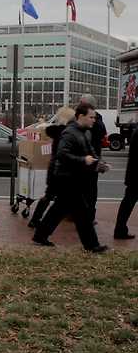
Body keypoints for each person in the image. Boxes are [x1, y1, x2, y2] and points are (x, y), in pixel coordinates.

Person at [33, 103, 109, 253]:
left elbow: (91, 153)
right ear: (80, 116)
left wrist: (99, 165)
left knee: (59, 209)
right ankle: (92, 245)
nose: (94, 120)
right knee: (82, 213)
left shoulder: (85, 132)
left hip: (73, 177)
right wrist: (83, 160)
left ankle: (40, 235)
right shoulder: (70, 132)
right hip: (66, 177)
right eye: (91, 117)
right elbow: (62, 154)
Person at [28, 106, 75, 228]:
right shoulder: (68, 132)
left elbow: (48, 129)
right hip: (61, 169)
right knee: (65, 198)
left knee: (49, 195)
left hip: (53, 168)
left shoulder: (55, 130)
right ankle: (42, 224)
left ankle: (35, 220)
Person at [79, 92, 106, 224]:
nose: (79, 105)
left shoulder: (96, 120)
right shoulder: (80, 118)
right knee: (82, 189)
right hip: (83, 160)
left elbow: (101, 133)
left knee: (90, 190)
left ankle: (89, 216)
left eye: (81, 103)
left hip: (91, 160)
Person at [114, 127, 137, 239]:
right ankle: (120, 229)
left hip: (134, 175)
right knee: (128, 204)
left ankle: (120, 229)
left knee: (127, 203)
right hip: (136, 175)